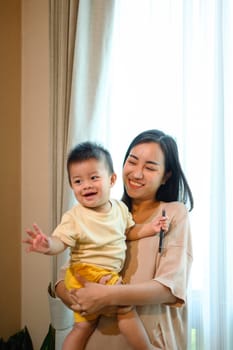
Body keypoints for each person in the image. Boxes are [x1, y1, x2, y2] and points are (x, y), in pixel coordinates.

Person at [55, 129, 194, 350]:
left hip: (150, 340)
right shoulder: (106, 212)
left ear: (166, 175)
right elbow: (63, 278)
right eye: (132, 161)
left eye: (149, 167)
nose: (137, 173)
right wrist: (77, 298)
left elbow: (169, 288)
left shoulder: (173, 213)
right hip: (96, 342)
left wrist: (107, 295)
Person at [23, 141, 169, 350]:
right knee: (125, 310)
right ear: (72, 186)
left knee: (82, 328)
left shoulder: (119, 209)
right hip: (86, 272)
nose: (87, 185)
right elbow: (60, 242)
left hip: (102, 274)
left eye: (93, 178)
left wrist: (151, 228)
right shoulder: (75, 216)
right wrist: (47, 244)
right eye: (78, 181)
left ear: (111, 180)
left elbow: (129, 232)